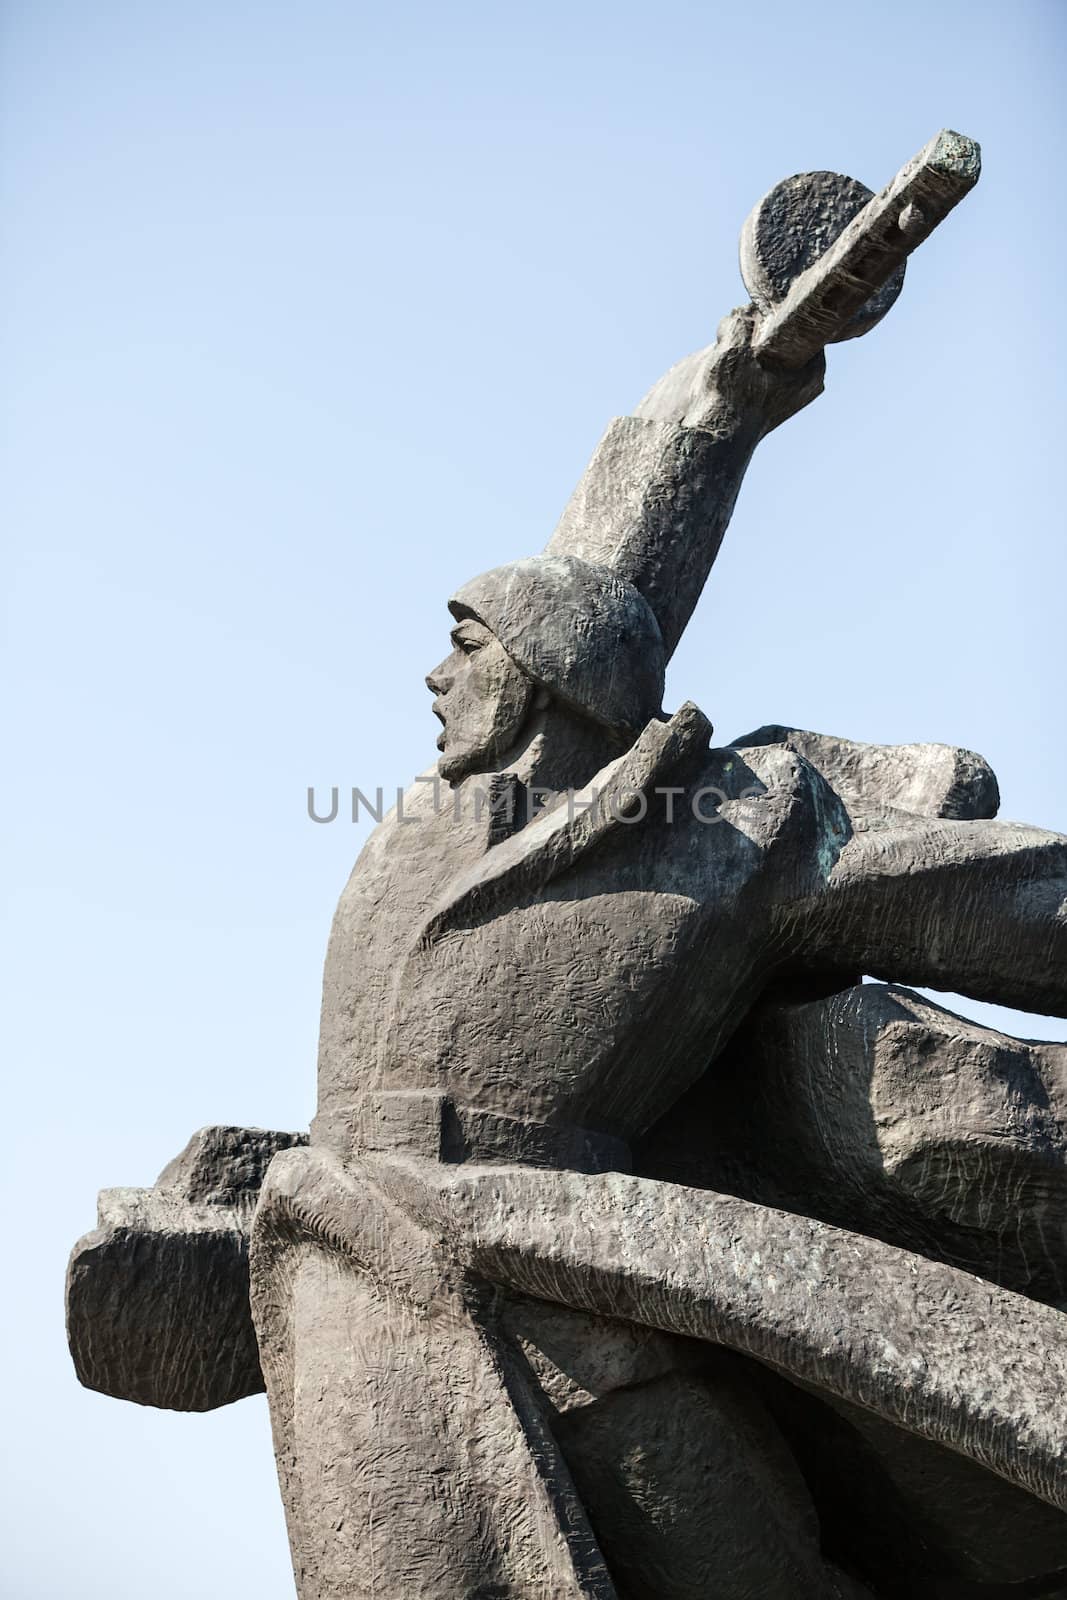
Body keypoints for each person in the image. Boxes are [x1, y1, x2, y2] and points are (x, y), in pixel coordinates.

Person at [247, 310, 1067, 1598]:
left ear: (538, 681)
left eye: (465, 648)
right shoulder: (428, 824)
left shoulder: (729, 828)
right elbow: (594, 565)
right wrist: (736, 383)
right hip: (359, 1283)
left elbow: (1001, 897)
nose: (430, 677)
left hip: (596, 1294)